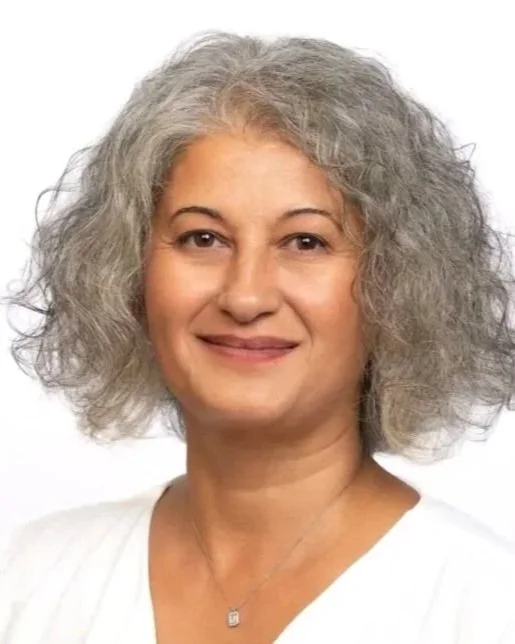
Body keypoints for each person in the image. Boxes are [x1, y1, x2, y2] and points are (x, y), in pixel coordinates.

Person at [1, 30, 515, 644]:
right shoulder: (30, 579)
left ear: (399, 283)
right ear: (129, 273)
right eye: (203, 238)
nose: (245, 297)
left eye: (306, 242)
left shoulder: (484, 605)